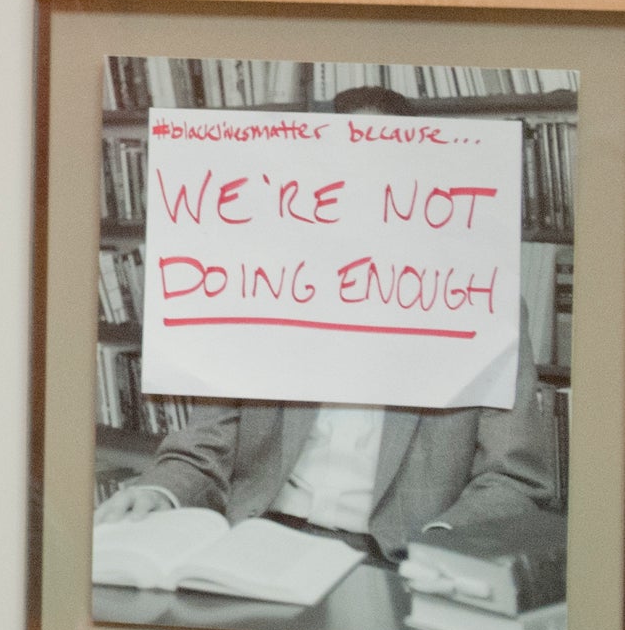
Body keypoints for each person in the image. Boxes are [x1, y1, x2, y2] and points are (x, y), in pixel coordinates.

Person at [96, 87, 559, 562]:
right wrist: (158, 492)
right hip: (258, 539)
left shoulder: (480, 305)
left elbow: (516, 479)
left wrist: (446, 543)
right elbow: (202, 450)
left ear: (419, 180)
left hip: (400, 559)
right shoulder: (261, 289)